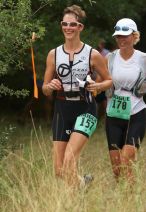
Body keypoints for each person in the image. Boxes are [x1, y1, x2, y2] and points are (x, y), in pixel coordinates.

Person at [42, 5, 112, 187]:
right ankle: (83, 185)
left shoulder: (93, 54)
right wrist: (50, 86)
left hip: (85, 109)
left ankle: (74, 206)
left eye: (73, 24)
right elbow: (44, 89)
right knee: (59, 170)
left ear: (80, 27)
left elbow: (109, 81)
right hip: (62, 109)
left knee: (69, 160)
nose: (68, 28)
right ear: (61, 25)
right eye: (65, 24)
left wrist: (98, 85)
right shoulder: (53, 54)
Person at [105, 18, 146, 182]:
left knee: (126, 160)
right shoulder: (110, 58)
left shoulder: (143, 58)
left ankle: (131, 200)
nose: (121, 39)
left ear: (134, 36)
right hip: (113, 115)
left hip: (136, 113)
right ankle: (123, 201)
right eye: (118, 36)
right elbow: (101, 79)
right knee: (117, 169)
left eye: (125, 35)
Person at [95, 39, 110, 118]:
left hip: (104, 80)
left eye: (102, 44)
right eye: (100, 43)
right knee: (95, 101)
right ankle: (95, 118)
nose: (101, 45)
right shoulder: (94, 52)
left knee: (105, 100)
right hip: (96, 78)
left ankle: (106, 116)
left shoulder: (107, 53)